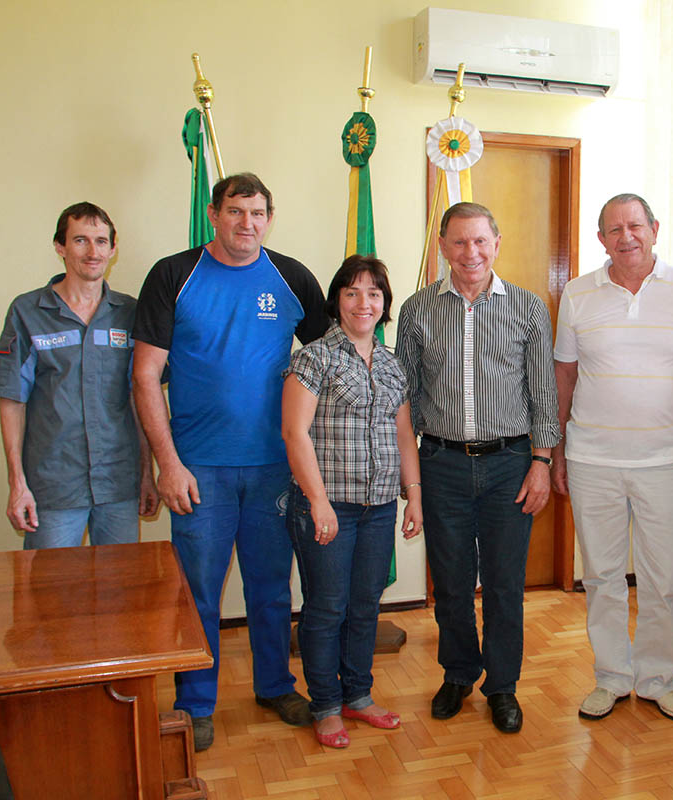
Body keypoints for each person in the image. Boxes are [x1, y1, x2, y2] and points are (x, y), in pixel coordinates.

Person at [132, 173, 327, 751]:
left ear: (270, 218)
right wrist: (168, 463)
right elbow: (145, 378)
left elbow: (328, 364)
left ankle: (273, 684)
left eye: (259, 213)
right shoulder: (173, 274)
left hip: (273, 467)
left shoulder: (292, 279)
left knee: (270, 587)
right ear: (214, 214)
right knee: (198, 593)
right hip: (199, 470)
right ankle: (194, 703)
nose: (248, 223)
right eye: (236, 211)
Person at [551, 193, 673, 723]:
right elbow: (564, 377)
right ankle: (612, 678)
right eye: (614, 229)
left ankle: (657, 678)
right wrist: (553, 450)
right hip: (591, 459)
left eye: (635, 226)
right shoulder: (578, 294)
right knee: (601, 576)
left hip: (664, 460)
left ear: (655, 229)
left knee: (664, 576)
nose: (626, 237)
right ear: (601, 238)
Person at [396, 202, 559, 734]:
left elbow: (542, 393)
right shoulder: (418, 310)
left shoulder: (529, 309)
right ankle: (459, 673)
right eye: (459, 242)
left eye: (480, 241)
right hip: (441, 461)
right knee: (451, 581)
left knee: (506, 582)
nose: (471, 253)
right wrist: (411, 472)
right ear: (443, 245)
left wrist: (541, 461)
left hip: (510, 464)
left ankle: (503, 687)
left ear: (497, 242)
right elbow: (408, 397)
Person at [281, 255, 423, 749]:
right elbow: (294, 433)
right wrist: (317, 502)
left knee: (365, 606)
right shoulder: (313, 358)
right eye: (352, 292)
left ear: (385, 305)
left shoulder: (390, 363)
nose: (364, 303)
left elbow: (405, 435)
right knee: (326, 608)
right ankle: (324, 704)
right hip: (328, 507)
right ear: (337, 300)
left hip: (380, 505)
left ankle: (357, 697)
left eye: (374, 294)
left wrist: (414, 497)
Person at [0, 202, 157, 549]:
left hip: (118, 485)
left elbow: (141, 398)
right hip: (53, 487)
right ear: (60, 247)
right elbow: (11, 400)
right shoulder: (28, 311)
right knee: (50, 597)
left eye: (101, 241)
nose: (92, 252)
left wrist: (146, 474)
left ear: (112, 249)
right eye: (80, 240)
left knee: (119, 595)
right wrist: (17, 483)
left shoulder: (130, 313)